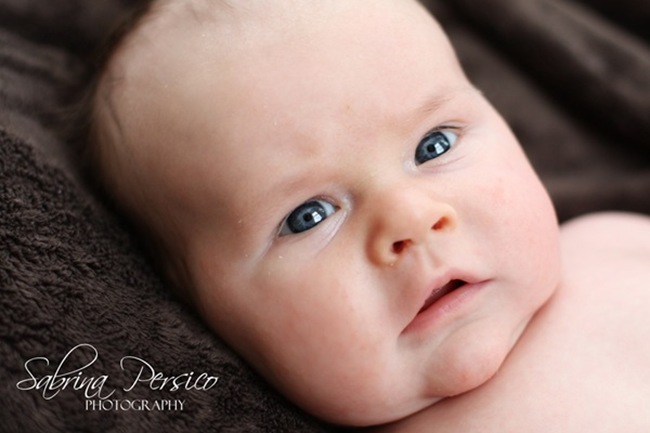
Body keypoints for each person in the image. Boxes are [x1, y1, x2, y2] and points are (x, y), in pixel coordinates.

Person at [84, 0, 650, 430]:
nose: (411, 219)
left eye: (434, 145)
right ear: (198, 312)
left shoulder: (613, 242)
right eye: (308, 216)